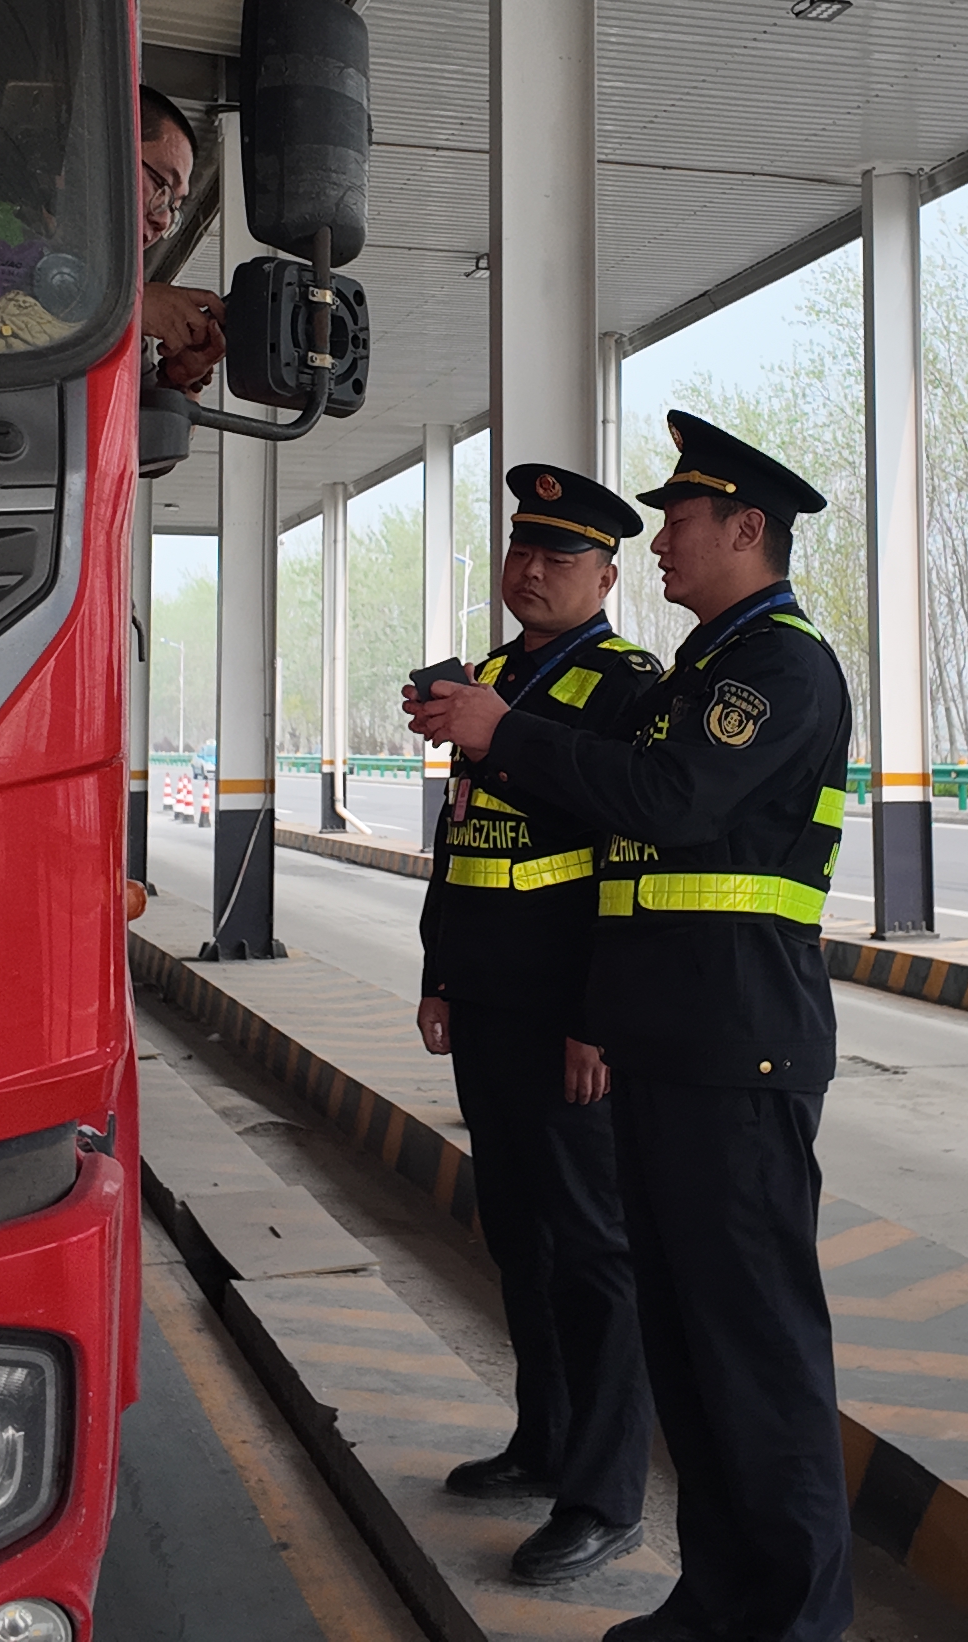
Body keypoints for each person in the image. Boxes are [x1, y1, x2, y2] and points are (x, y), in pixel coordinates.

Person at [406, 413, 855, 1642]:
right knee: (694, 1348)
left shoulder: (779, 668)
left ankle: (793, 1621)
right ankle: (715, 1601)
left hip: (736, 1047)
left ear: (745, 530)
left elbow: (667, 801)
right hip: (672, 1041)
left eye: (678, 522)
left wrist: (506, 734)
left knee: (755, 1352)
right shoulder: (710, 667)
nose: (662, 545)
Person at [403, 465, 663, 1589]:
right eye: (523, 550)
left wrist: (601, 1019)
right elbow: (459, 833)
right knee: (520, 1237)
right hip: (488, 1004)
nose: (534, 570)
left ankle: (604, 1494)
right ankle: (544, 1441)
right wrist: (440, 972)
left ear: (607, 578)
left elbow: (631, 856)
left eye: (562, 556)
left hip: (570, 1017)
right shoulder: (491, 678)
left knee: (595, 1254)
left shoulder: (628, 687)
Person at [136, 86, 224, 391]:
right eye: (161, 184)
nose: (163, 221)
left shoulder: (128, 334)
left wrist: (179, 381)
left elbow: (152, 424)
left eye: (173, 206)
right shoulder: (6, 220)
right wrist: (127, 305)